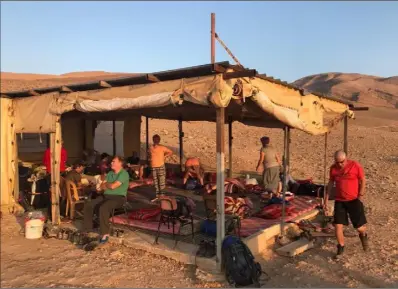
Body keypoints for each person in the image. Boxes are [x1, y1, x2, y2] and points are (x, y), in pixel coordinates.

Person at [324, 150, 368, 259]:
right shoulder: (333, 168)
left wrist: (361, 195)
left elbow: (362, 179)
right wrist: (326, 197)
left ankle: (363, 235)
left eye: (342, 162)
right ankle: (340, 247)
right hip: (340, 201)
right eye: (337, 162)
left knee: (359, 227)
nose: (339, 164)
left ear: (346, 159)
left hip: (353, 200)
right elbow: (331, 182)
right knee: (338, 225)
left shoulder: (355, 165)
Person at [83, 156, 129, 244]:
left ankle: (105, 233)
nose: (111, 163)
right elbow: (102, 187)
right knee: (89, 204)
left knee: (104, 207)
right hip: (106, 195)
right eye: (111, 161)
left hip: (119, 198)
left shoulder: (124, 174)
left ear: (120, 163)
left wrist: (106, 185)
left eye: (114, 161)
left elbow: (113, 186)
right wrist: (106, 185)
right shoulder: (110, 173)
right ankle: (87, 228)